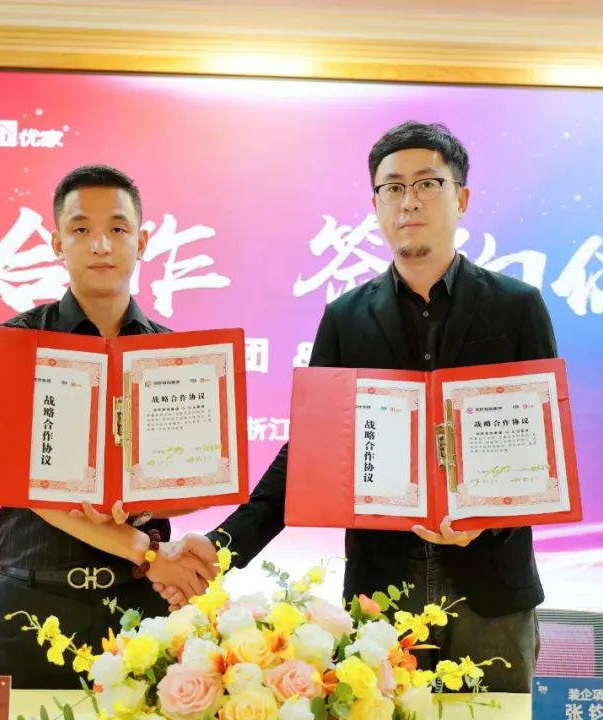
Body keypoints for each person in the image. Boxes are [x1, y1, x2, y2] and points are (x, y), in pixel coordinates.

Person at [170, 122, 557, 692]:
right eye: (392, 187)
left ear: (462, 198)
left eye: (427, 184)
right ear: (376, 204)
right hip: (383, 593)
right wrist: (222, 546)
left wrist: (487, 522)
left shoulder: (517, 307)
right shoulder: (346, 318)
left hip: (492, 592)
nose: (409, 201)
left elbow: (539, 449)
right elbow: (308, 455)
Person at [0, 164, 215, 689]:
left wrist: (141, 505)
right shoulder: (14, 343)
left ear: (142, 242)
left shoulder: (174, 356)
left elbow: (194, 486)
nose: (101, 244)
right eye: (81, 229)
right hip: (31, 603)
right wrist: (144, 548)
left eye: (118, 228)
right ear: (57, 242)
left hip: (140, 606)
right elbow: (28, 487)